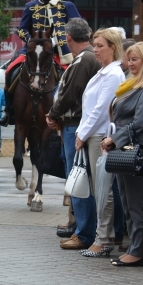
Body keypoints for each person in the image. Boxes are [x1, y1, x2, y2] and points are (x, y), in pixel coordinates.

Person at [101, 42, 143, 266]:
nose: (130, 64)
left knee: (138, 204)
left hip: (138, 151)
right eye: (129, 59)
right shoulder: (134, 86)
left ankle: (138, 251)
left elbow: (140, 123)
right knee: (128, 203)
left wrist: (114, 139)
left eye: (135, 59)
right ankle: (136, 247)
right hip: (126, 150)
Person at [45, 18, 101, 247]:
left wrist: (52, 114)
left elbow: (70, 93)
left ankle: (84, 232)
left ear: (67, 38)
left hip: (73, 124)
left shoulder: (83, 59)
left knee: (78, 178)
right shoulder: (86, 57)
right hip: (75, 124)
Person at [1, 0, 81, 125]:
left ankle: (72, 109)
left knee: (72, 78)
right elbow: (21, 29)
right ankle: (9, 110)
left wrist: (58, 40)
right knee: (10, 71)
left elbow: (79, 27)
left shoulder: (66, 6)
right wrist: (33, 41)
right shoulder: (30, 6)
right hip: (33, 52)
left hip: (59, 52)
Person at [74, 28, 126, 256]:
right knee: (99, 189)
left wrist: (82, 134)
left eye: (100, 46)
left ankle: (103, 239)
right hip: (93, 134)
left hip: (100, 136)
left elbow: (101, 110)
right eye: (94, 45)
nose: (95, 49)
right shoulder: (103, 71)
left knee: (103, 190)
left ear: (113, 48)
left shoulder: (113, 74)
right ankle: (103, 236)